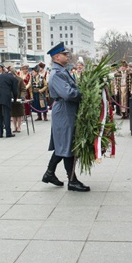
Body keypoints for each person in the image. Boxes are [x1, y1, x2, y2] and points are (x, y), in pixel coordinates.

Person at [42, 42, 90, 192]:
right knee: (67, 144)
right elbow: (68, 93)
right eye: (65, 54)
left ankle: (50, 173)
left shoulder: (61, 70)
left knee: (64, 144)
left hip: (66, 110)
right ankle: (72, 180)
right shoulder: (57, 73)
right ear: (56, 57)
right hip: (64, 110)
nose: (67, 55)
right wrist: (82, 93)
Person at [0, 64, 18, 138]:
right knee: (6, 114)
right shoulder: (14, 79)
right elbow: (15, 91)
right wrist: (15, 100)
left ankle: (0, 133)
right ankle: (8, 133)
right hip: (5, 97)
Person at [10, 66, 27, 132]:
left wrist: (22, 96)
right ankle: (14, 126)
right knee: (13, 113)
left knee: (19, 113)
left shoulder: (20, 80)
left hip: (19, 98)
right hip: (11, 98)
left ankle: (19, 126)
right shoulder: (9, 80)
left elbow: (23, 89)